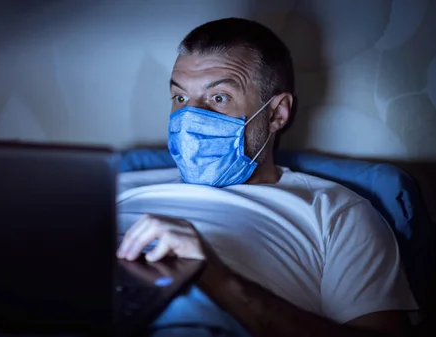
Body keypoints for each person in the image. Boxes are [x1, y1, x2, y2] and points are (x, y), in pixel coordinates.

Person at [116, 18, 418, 337]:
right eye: (179, 98)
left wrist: (218, 278)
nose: (189, 117)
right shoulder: (120, 186)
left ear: (277, 113)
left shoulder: (336, 214)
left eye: (218, 98)